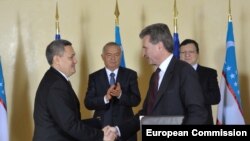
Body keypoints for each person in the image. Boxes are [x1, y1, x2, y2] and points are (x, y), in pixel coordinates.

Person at [104, 23, 208, 140]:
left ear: (159, 46)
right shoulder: (155, 76)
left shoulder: (184, 71)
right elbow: (146, 113)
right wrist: (118, 130)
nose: (143, 54)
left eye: (145, 48)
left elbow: (198, 113)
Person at [33, 39, 116, 141]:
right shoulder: (56, 85)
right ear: (57, 60)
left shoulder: (55, 79)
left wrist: (99, 123)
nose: (75, 61)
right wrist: (101, 136)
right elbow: (70, 125)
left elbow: (67, 122)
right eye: (71, 57)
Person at [84, 42, 141, 141]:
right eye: (109, 55)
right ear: (102, 57)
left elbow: (136, 100)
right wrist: (105, 98)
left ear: (121, 56)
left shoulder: (130, 74)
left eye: (117, 55)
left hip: (126, 129)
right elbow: (88, 103)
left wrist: (120, 95)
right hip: (102, 129)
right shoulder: (94, 77)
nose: (113, 58)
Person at [179, 39, 220, 124]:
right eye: (183, 52)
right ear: (179, 55)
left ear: (197, 53)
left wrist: (192, 95)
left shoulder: (209, 73)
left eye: (191, 52)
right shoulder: (173, 75)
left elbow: (215, 98)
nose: (187, 55)